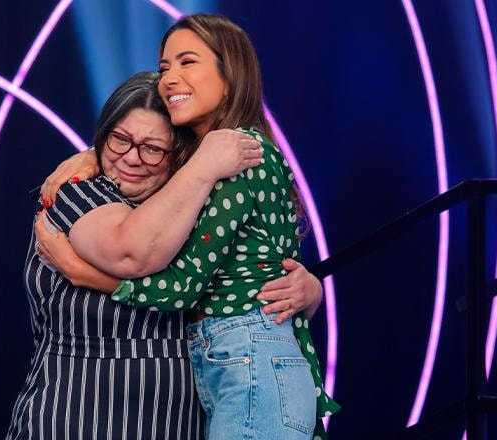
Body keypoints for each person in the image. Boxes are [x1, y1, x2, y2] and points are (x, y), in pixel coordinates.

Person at [37, 14, 339, 440]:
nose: (170, 78)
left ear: (230, 76)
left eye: (187, 62)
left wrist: (81, 271)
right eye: (165, 67)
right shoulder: (206, 163)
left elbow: (181, 288)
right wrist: (91, 155)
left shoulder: (236, 156)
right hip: (230, 367)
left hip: (248, 362)